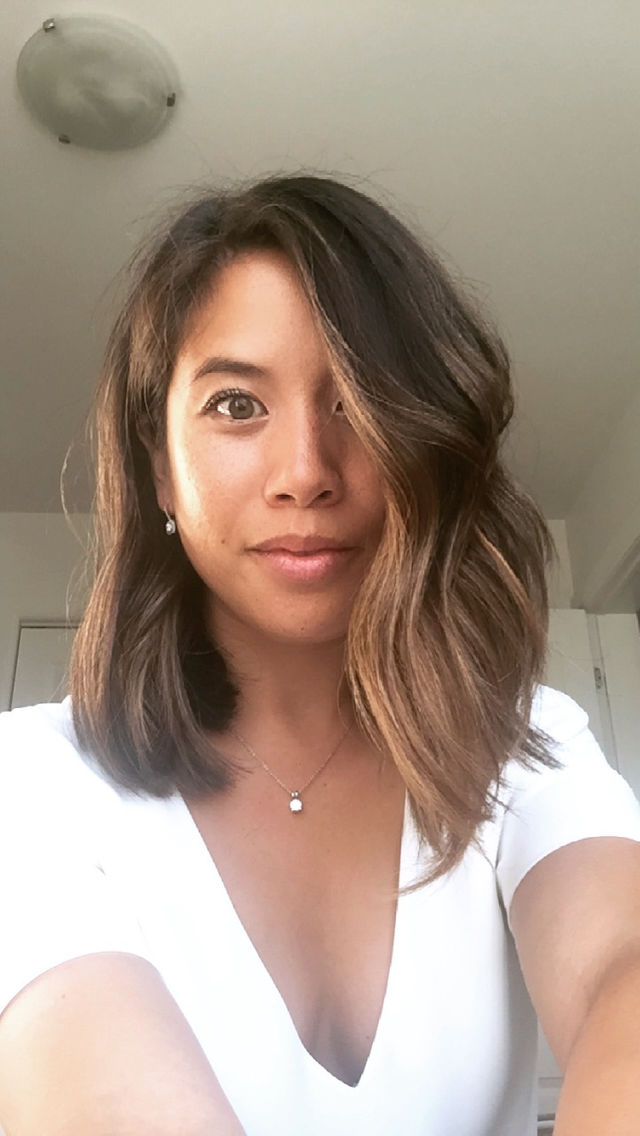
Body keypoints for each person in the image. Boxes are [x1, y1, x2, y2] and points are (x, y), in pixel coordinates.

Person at [1, 174, 639, 1136]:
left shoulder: (520, 746)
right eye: (235, 405)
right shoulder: (33, 783)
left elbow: (622, 969)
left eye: (356, 402)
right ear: (160, 466)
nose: (305, 473)